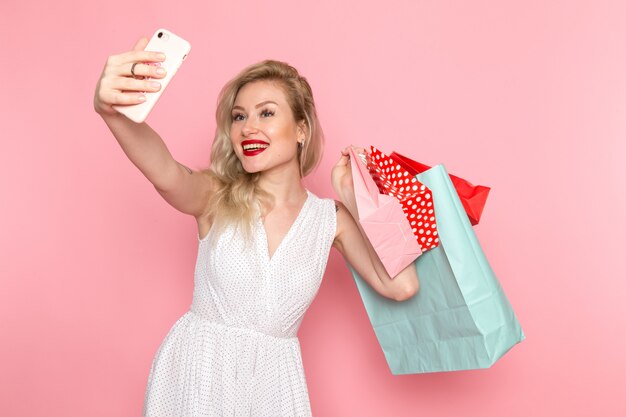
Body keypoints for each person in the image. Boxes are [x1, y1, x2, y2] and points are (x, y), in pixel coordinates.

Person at [93, 36, 420, 416]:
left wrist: (356, 195)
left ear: (301, 130)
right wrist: (113, 114)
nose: (248, 127)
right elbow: (167, 174)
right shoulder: (215, 195)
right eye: (238, 116)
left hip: (273, 387)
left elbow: (402, 285)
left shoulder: (330, 221)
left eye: (266, 113)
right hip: (198, 375)